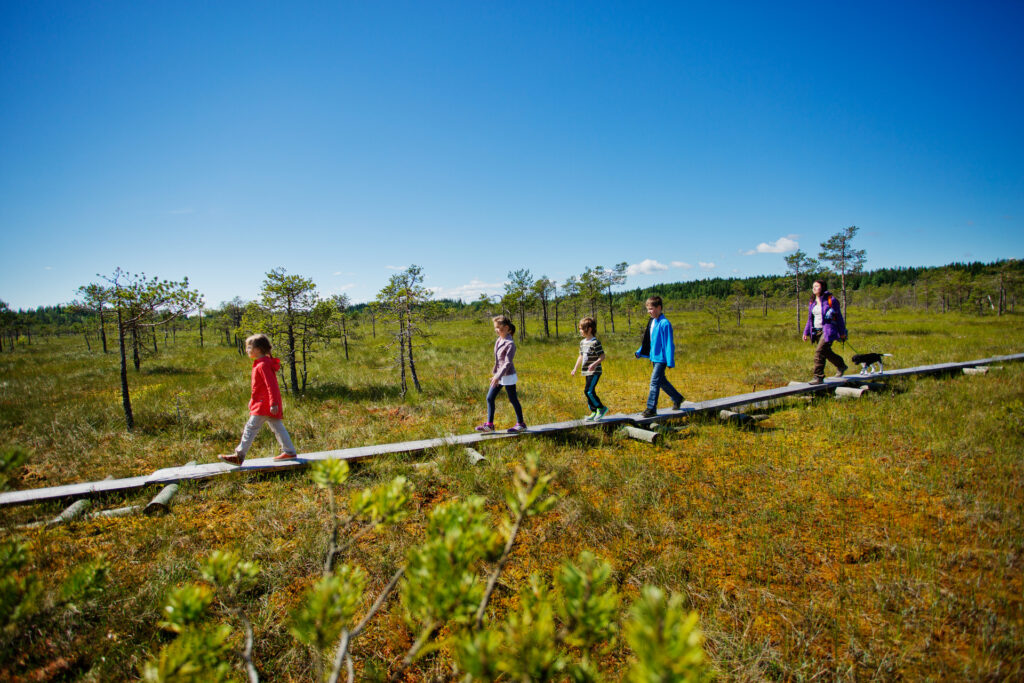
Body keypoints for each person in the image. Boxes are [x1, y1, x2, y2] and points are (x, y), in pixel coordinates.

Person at [219, 333, 297, 465]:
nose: (247, 350)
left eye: (249, 347)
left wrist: (273, 403)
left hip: (265, 405)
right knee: (277, 427)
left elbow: (271, 385)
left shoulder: (263, 365)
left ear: (258, 349)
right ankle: (289, 451)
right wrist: (253, 400)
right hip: (263, 403)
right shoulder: (262, 363)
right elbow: (259, 387)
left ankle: (239, 455)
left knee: (251, 427)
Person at [475, 315, 527, 433]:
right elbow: (498, 360)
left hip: (507, 376)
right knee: (490, 397)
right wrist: (496, 374)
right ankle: (490, 425)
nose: (497, 330)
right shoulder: (499, 340)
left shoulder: (510, 343)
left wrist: (498, 376)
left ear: (507, 328)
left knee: (513, 399)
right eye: (496, 328)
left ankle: (521, 424)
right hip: (499, 375)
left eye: (499, 328)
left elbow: (507, 363)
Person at [635, 295, 684, 417]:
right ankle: (677, 398)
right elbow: (648, 340)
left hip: (661, 359)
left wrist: (670, 361)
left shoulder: (665, 323)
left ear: (659, 308)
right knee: (662, 382)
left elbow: (669, 344)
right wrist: (640, 351)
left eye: (651, 309)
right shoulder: (652, 322)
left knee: (654, 382)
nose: (649, 311)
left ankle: (651, 408)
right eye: (648, 309)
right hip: (653, 357)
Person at [802, 279, 848, 384]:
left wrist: (842, 332)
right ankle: (841, 365)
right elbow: (810, 319)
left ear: (822, 287)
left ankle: (818, 377)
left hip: (828, 331)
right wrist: (806, 332)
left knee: (819, 352)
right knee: (826, 352)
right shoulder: (812, 302)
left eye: (817, 286)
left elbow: (839, 317)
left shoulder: (831, 300)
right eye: (813, 286)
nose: (814, 288)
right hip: (816, 331)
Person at [570, 317, 608, 420]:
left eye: (582, 328)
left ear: (589, 329)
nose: (580, 331)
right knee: (587, 391)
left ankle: (601, 408)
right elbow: (580, 356)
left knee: (589, 391)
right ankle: (594, 412)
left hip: (595, 371)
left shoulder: (595, 342)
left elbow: (602, 356)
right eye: (580, 328)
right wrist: (575, 369)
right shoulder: (582, 342)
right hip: (586, 371)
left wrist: (594, 364)